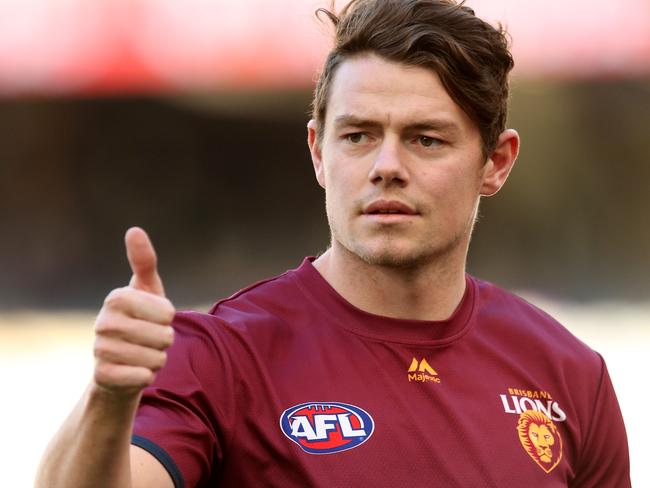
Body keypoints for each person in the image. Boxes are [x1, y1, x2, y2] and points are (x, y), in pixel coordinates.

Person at [36, 0, 631, 486]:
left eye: (426, 139)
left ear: (495, 163)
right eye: (359, 136)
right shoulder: (219, 356)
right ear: (320, 152)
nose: (386, 166)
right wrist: (108, 396)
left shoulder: (569, 376)